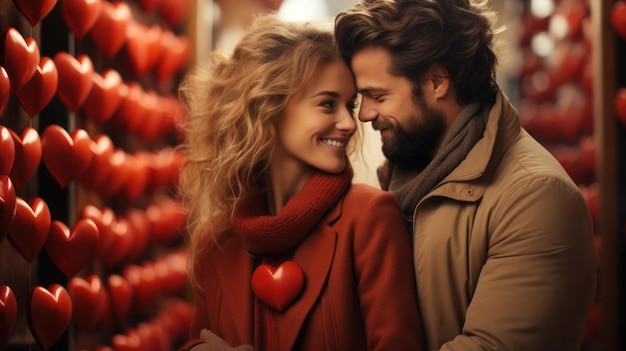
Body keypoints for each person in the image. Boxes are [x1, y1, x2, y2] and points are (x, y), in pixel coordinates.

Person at [334, 0, 599, 350]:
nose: (364, 115)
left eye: (378, 95)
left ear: (437, 81)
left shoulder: (537, 197)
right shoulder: (407, 178)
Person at [176, 15, 424, 351]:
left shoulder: (370, 219)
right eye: (327, 104)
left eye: (349, 105)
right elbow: (198, 338)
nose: (350, 123)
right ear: (269, 107)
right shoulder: (215, 243)